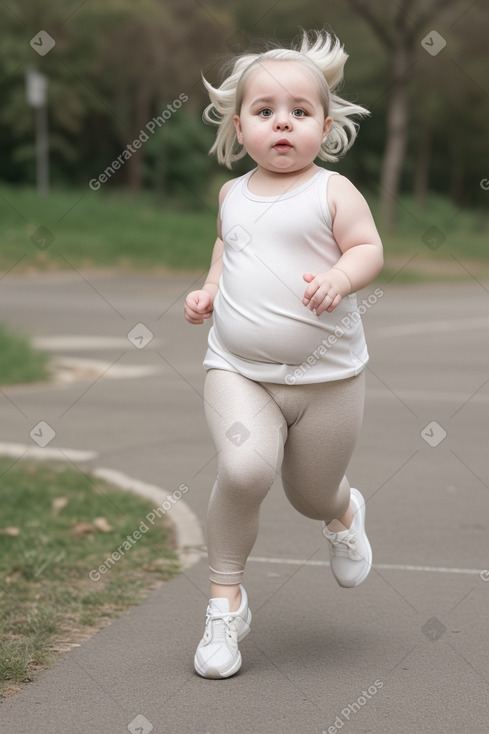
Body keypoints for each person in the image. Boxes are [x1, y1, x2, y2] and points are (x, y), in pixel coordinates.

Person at [184, 28, 383, 679]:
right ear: (238, 126)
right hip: (239, 372)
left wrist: (340, 278)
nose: (281, 124)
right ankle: (225, 603)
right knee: (243, 471)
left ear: (323, 127)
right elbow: (227, 245)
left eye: (299, 112)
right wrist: (210, 289)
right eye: (264, 111)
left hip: (327, 380)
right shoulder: (231, 194)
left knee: (309, 494)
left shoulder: (332, 191)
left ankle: (343, 512)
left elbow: (366, 249)